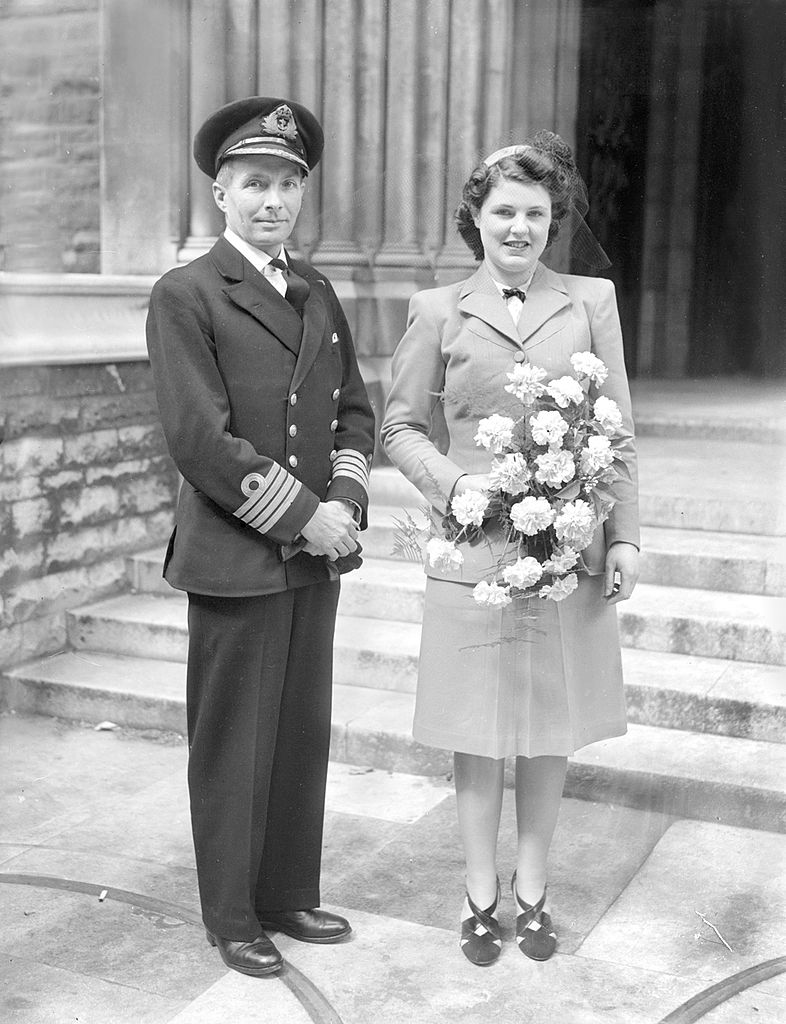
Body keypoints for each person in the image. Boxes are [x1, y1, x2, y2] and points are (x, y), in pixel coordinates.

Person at [380, 132, 639, 966]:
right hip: (474, 542)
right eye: (503, 212)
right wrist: (449, 482)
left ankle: (533, 892)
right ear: (476, 220)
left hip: (568, 541)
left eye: (535, 212)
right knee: (479, 727)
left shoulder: (591, 301)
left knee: (549, 725)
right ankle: (478, 893)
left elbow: (619, 429)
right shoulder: (436, 311)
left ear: (552, 219)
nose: (520, 228)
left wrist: (624, 533)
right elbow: (400, 426)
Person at [145, 96, 375, 978]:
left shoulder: (316, 290)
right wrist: (302, 515)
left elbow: (352, 410)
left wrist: (345, 504)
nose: (272, 200)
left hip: (317, 550)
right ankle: (233, 912)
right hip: (241, 551)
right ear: (220, 194)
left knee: (297, 731)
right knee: (235, 736)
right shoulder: (187, 294)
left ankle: (286, 892)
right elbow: (200, 438)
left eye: (287, 184)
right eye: (254, 184)